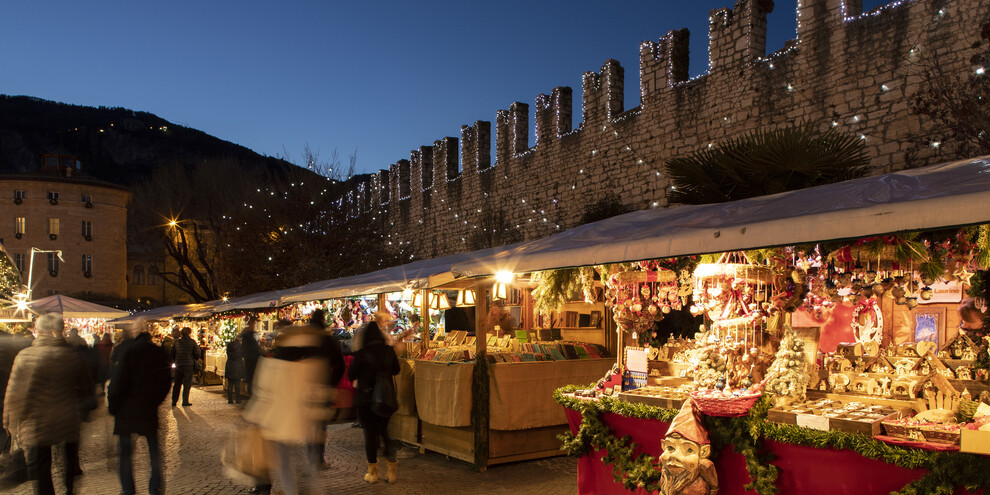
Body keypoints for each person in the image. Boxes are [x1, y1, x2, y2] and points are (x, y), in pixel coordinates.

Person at [3, 313, 92, 495]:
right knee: (69, 461)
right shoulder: (71, 356)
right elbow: (86, 387)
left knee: (41, 465)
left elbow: (14, 391)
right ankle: (68, 490)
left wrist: (8, 419)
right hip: (67, 418)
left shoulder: (25, 356)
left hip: (38, 422)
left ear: (40, 331)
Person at [244, 321, 335, 495]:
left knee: (284, 462)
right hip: (300, 421)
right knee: (305, 460)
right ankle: (312, 489)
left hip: (276, 422)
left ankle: (292, 490)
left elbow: (261, 393)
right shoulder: (309, 368)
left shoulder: (270, 365)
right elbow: (316, 393)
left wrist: (254, 418)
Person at [107, 321, 171, 495]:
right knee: (154, 452)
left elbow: (117, 382)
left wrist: (113, 406)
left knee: (126, 454)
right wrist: (155, 401)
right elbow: (166, 380)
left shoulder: (126, 351)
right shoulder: (156, 351)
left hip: (126, 410)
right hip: (148, 408)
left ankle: (128, 489)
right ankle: (155, 488)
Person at [348, 312, 401, 484]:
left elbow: (351, 374)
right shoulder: (388, 351)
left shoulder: (362, 353)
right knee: (385, 433)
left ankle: (373, 474)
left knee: (369, 435)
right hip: (385, 398)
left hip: (365, 399)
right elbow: (396, 370)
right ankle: (391, 472)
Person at [307, 309, 345, 468]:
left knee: (309, 425)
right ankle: (319, 459)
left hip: (306, 388)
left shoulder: (305, 339)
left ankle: (310, 458)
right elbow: (341, 365)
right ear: (323, 320)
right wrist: (332, 382)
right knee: (321, 425)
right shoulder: (329, 340)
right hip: (324, 387)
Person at [171, 327, 201, 407]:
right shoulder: (192, 342)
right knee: (187, 383)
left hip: (179, 364)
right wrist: (194, 358)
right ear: (189, 333)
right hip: (189, 364)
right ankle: (185, 401)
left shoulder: (177, 342)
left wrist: (175, 361)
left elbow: (172, 353)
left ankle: (174, 400)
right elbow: (197, 353)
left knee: (177, 383)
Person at [241, 316, 263, 396]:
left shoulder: (247, 333)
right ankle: (250, 391)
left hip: (249, 357)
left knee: (250, 375)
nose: (254, 325)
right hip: (251, 358)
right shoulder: (248, 334)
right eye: (254, 323)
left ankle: (250, 390)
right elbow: (254, 346)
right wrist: (261, 352)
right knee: (251, 375)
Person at [225, 336, 245, 404]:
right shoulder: (240, 346)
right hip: (237, 365)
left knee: (230, 384)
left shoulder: (229, 345)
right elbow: (243, 354)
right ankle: (237, 399)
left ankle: (230, 400)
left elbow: (227, 353)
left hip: (230, 364)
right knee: (237, 384)